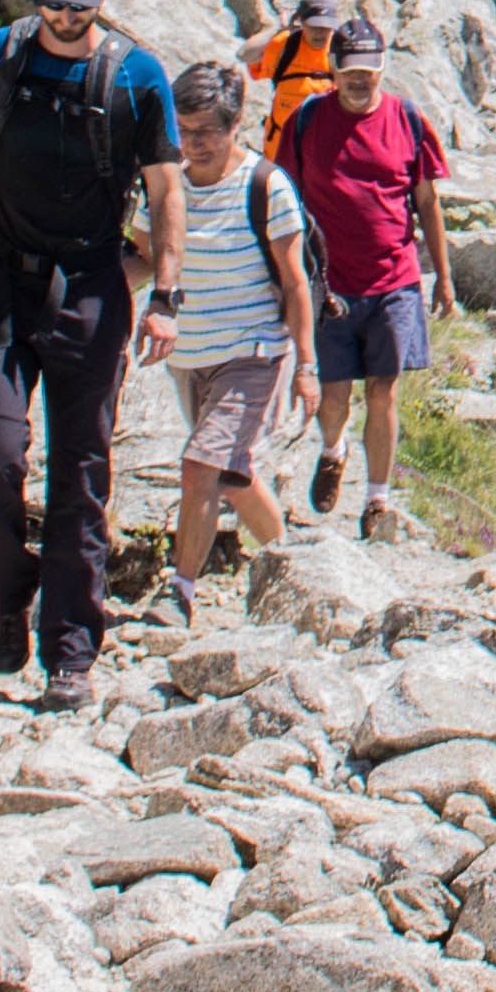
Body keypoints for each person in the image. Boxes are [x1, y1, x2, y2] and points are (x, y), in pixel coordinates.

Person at [0, 0, 183, 708]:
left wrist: (164, 294)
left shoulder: (137, 78)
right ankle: (9, 596)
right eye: (53, 1)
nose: (67, 15)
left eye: (80, 0)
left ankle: (70, 651)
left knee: (81, 472)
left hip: (93, 287)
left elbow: (167, 193)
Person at [155, 55, 316, 625]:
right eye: (183, 130)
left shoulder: (266, 186)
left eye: (206, 132)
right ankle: (293, 566)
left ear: (235, 124)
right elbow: (144, 257)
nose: (192, 143)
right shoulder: (165, 179)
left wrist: (306, 367)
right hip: (191, 356)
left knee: (201, 465)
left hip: (254, 352)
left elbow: (295, 282)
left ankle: (179, 593)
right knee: (232, 473)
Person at [279, 10, 449, 538]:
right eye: (349, 70)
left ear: (382, 69)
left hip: (395, 280)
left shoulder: (407, 119)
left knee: (384, 390)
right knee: (333, 398)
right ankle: (334, 449)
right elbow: (283, 198)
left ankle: (377, 500)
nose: (358, 80)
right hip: (328, 286)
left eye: (368, 71)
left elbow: (427, 199)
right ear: (332, 67)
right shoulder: (306, 121)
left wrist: (442, 275)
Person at [239, 0, 345, 153]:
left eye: (326, 27)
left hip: (320, 151)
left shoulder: (339, 51)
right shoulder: (286, 45)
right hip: (280, 151)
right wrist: (280, 29)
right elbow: (244, 54)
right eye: (314, 26)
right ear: (301, 21)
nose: (320, 33)